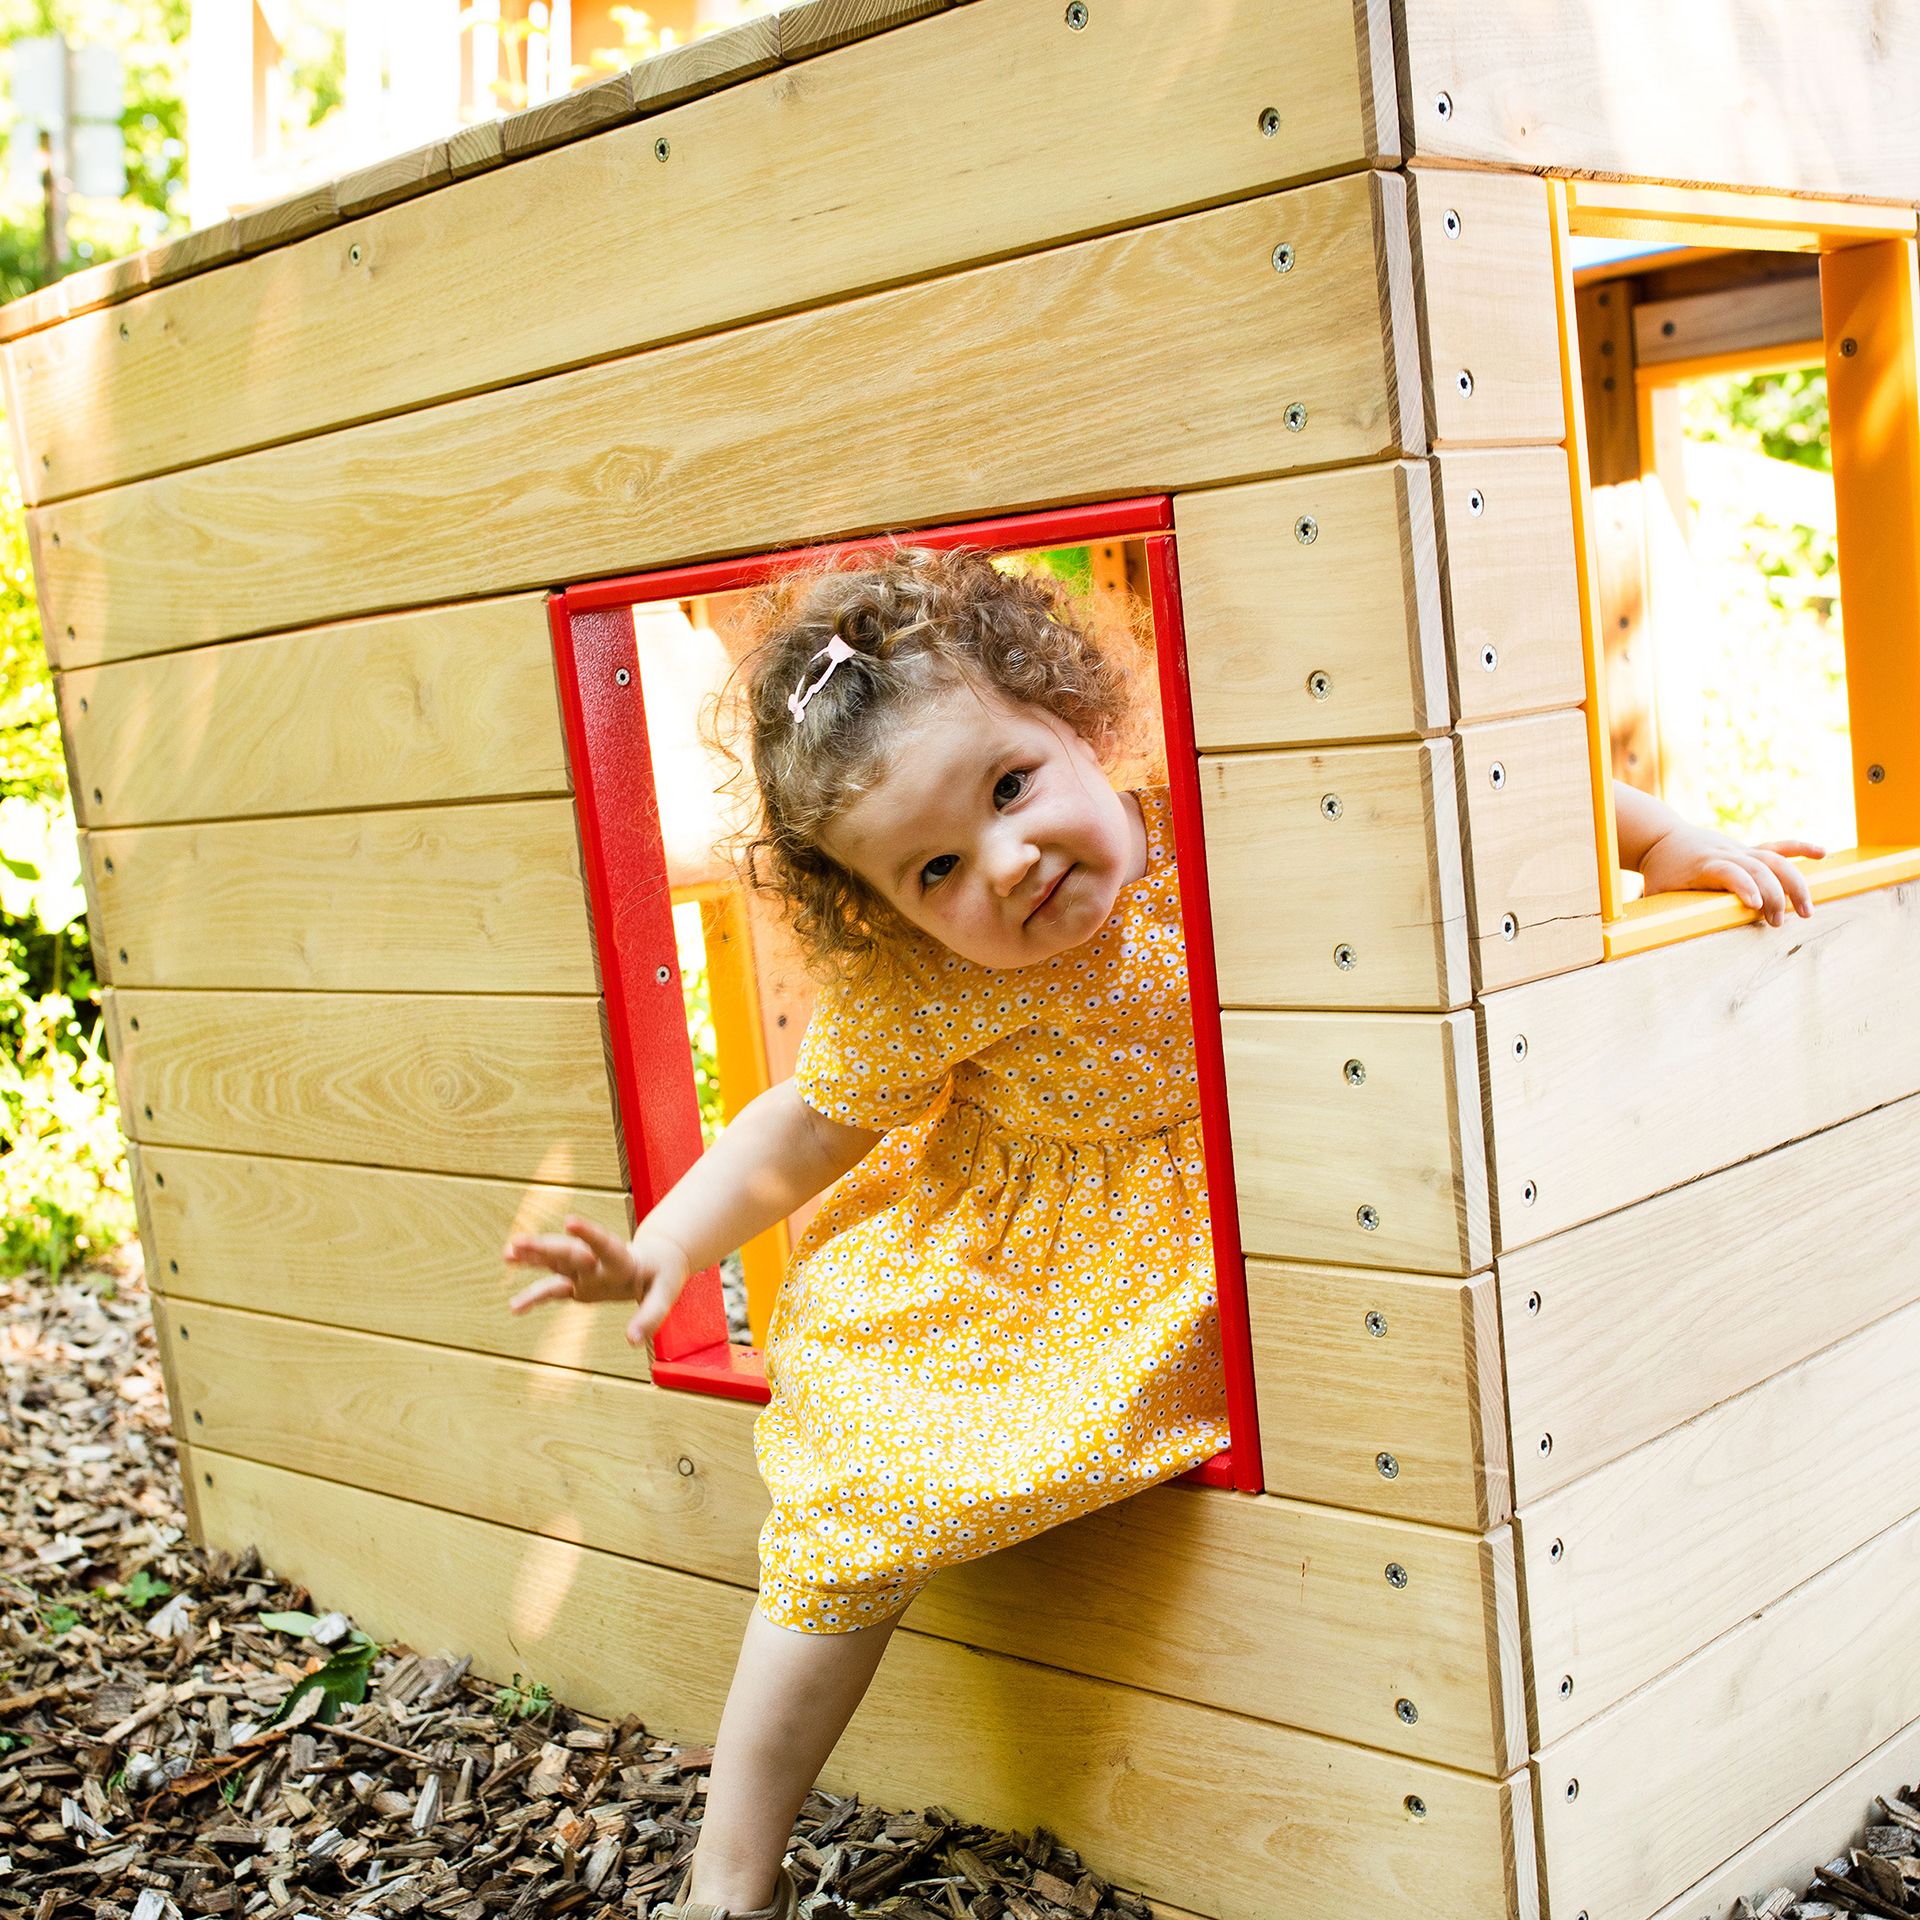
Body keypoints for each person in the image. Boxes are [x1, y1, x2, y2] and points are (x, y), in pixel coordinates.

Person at [501, 541, 1822, 1920]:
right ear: (887, 914)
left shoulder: (1217, 816)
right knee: (848, 1507)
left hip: (1278, 1197)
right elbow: (803, 1128)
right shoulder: (930, 986)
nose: (1004, 862)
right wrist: (667, 1247)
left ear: (1077, 722)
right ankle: (730, 1879)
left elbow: (1457, 785)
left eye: (1012, 785)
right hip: (1031, 1263)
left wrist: (1672, 843)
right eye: (935, 867)